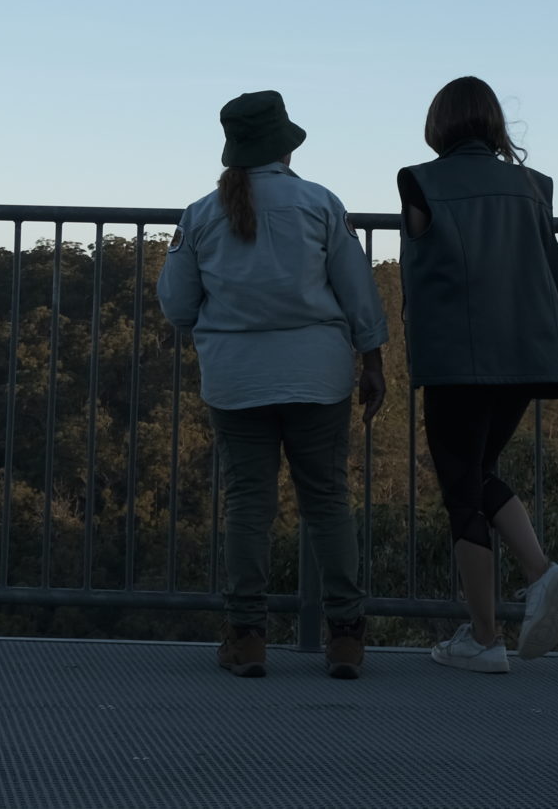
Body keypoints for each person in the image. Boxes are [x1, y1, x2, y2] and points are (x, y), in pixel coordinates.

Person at [157, 90, 388, 680]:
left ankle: (247, 636)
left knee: (248, 505)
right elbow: (358, 292)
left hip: (236, 379)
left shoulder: (201, 213)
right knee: (327, 501)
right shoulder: (321, 204)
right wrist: (373, 361)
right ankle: (345, 638)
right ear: (286, 145)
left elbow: (178, 306)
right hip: (319, 373)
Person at [397, 76, 558, 673]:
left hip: (457, 360)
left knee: (460, 492)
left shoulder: (419, 182)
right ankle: (540, 573)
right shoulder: (535, 187)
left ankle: (484, 637)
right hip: (526, 357)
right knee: (477, 473)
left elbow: (422, 270)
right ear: (494, 122)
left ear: (440, 123)